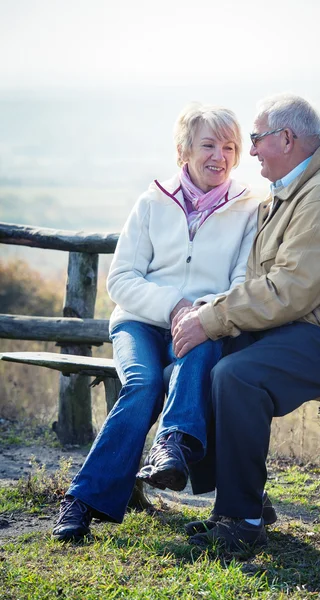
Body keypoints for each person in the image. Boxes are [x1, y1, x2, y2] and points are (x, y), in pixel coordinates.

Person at [172, 93, 320, 552]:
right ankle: (245, 502)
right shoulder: (295, 191)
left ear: (286, 138)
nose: (249, 151)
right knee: (208, 359)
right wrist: (208, 317)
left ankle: (241, 521)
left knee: (237, 375)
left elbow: (288, 290)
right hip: (304, 327)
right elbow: (263, 281)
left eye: (255, 139)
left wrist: (213, 317)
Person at [52, 102, 266, 542]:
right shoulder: (152, 201)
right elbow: (121, 280)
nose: (220, 156)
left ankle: (171, 445)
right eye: (209, 144)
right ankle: (81, 499)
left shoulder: (249, 209)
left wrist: (201, 310)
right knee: (143, 385)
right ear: (184, 150)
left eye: (230, 147)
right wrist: (174, 305)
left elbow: (242, 281)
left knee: (203, 343)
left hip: (203, 321)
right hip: (139, 323)